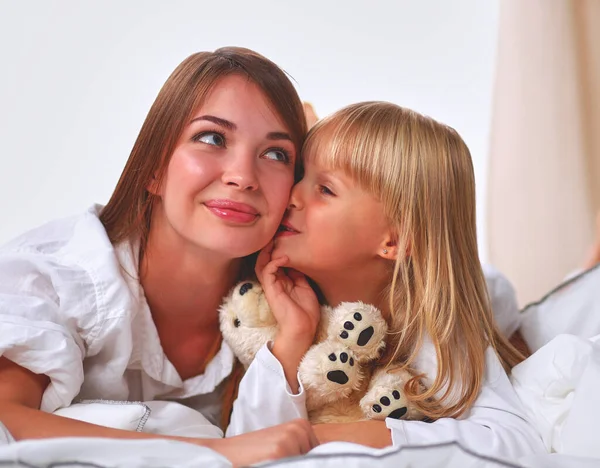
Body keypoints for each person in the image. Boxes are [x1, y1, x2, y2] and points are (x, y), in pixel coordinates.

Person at [0, 47, 320, 467]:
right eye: (212, 138)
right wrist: (214, 452)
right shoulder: (62, 275)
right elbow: (6, 420)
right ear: (153, 167)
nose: (242, 177)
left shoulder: (292, 299)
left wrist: (294, 341)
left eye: (276, 154)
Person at [251, 102, 545, 460]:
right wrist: (293, 336)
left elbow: (516, 445)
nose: (292, 196)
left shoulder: (429, 326)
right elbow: (247, 448)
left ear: (396, 240)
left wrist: (342, 435)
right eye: (300, 175)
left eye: (325, 189)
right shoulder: (268, 302)